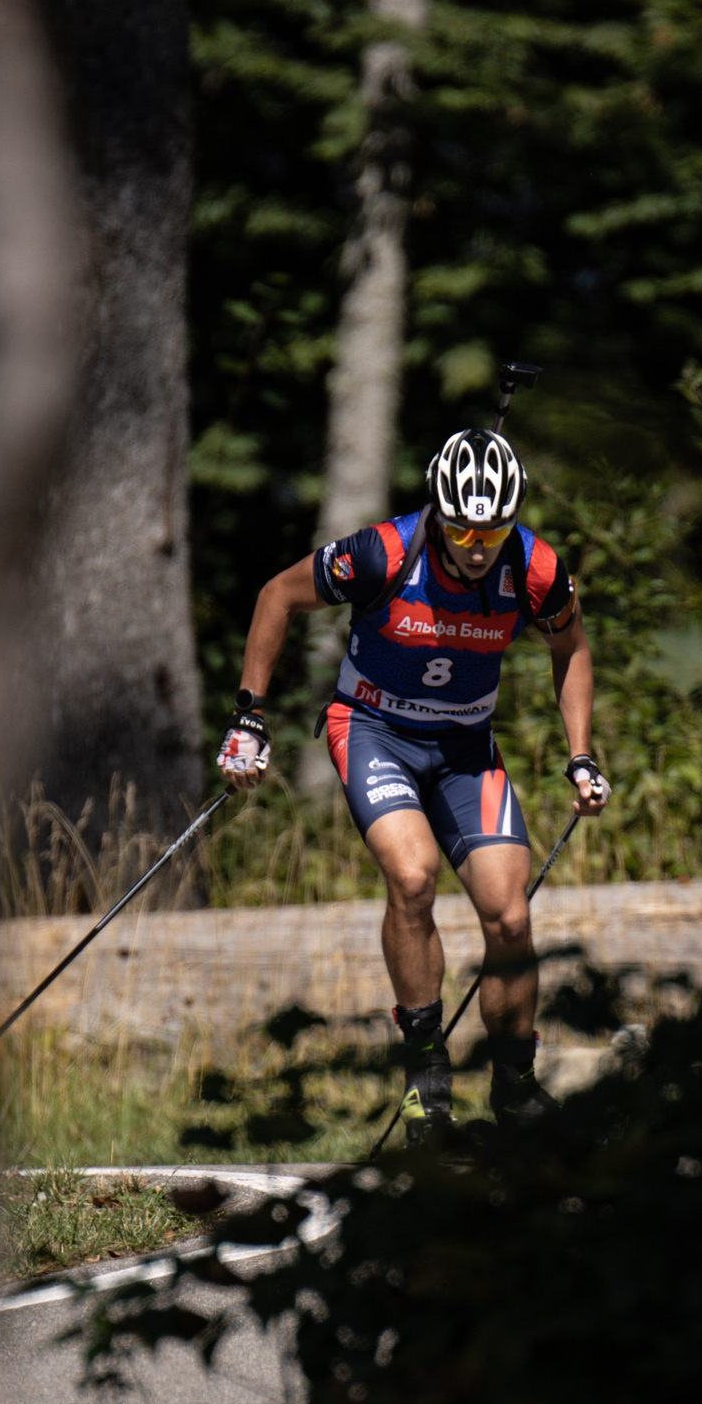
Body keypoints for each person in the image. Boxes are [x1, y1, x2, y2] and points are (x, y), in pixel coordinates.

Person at [216, 428, 608, 1131]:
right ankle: (426, 1072)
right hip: (373, 732)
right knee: (414, 877)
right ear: (436, 511)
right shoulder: (382, 554)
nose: (478, 547)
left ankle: (515, 1086)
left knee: (511, 916)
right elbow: (278, 596)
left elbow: (570, 645)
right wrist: (250, 716)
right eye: (462, 530)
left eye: (493, 531)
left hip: (464, 747)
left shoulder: (534, 567)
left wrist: (581, 754)